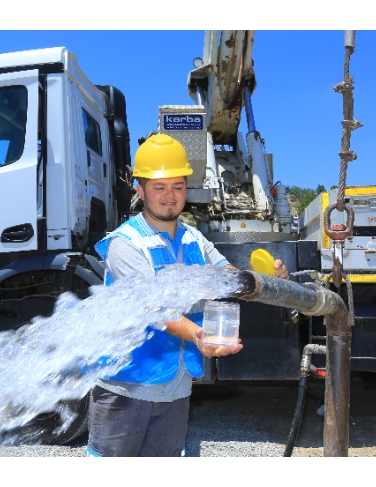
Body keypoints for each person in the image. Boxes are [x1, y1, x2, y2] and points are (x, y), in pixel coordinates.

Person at [87, 134, 288, 457]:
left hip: (175, 387)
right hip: (127, 386)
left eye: (178, 186)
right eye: (159, 187)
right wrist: (199, 334)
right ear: (140, 190)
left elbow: (226, 278)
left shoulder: (193, 237)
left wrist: (265, 281)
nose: (170, 196)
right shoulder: (125, 244)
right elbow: (152, 308)